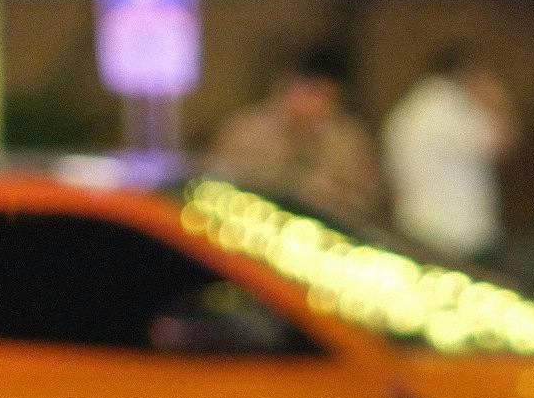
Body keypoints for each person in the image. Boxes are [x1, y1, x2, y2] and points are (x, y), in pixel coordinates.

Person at [202, 46, 385, 226]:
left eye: (322, 95)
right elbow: (215, 181)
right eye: (306, 91)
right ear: (284, 87)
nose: (310, 103)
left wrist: (325, 194)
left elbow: (367, 203)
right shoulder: (245, 130)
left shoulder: (348, 141)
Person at [381, 45, 515, 259]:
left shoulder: (407, 110)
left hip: (415, 227)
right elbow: (502, 142)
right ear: (466, 74)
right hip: (456, 235)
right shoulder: (454, 108)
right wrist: (495, 101)